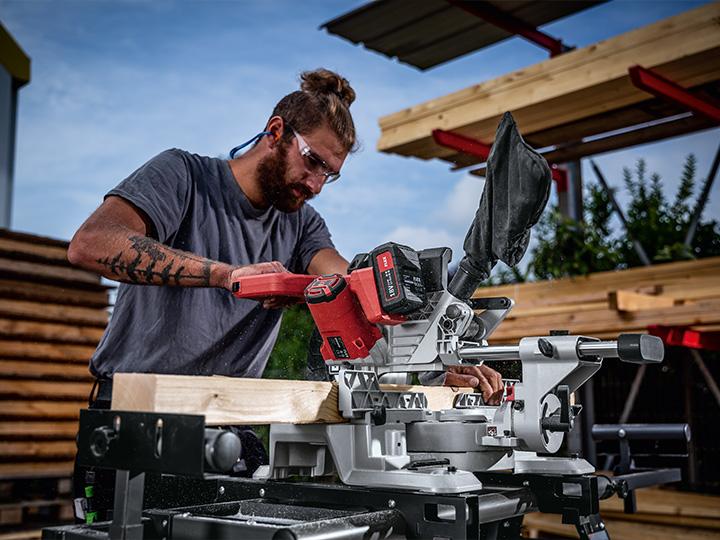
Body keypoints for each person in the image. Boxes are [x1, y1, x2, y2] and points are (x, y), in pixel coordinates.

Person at [68, 70, 503, 516]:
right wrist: (227, 275)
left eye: (329, 176)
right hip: (135, 418)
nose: (315, 185)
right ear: (277, 131)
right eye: (313, 161)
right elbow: (91, 243)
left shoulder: (301, 224)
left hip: (227, 426)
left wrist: (434, 363)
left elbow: (353, 291)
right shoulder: (185, 175)